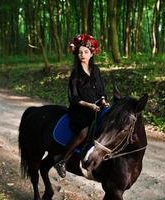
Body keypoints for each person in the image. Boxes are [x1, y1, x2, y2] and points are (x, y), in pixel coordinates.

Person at [54, 34, 108, 178]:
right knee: (84, 131)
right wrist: (89, 105)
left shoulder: (96, 69)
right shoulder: (75, 73)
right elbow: (74, 97)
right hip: (79, 109)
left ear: (91, 54)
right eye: (80, 52)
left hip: (96, 107)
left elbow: (101, 89)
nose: (82, 55)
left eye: (85, 52)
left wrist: (103, 100)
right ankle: (62, 160)